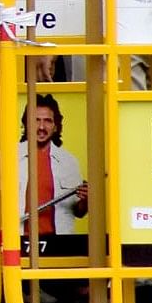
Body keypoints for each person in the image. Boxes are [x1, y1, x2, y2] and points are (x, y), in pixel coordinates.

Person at [17, 95, 88, 237]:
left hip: (58, 244)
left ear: (55, 127)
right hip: (17, 244)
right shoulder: (8, 158)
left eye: (48, 121)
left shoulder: (69, 161)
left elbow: (79, 212)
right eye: (36, 120)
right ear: (26, 123)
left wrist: (87, 199)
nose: (41, 127)